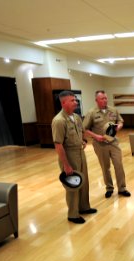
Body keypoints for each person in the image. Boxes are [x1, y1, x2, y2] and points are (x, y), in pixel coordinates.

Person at [51, 90, 97, 224]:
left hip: (80, 152)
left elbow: (82, 131)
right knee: (72, 184)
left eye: (75, 100)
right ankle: (72, 214)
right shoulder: (59, 121)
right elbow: (58, 144)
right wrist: (66, 165)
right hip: (68, 154)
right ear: (64, 102)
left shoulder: (76, 117)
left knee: (83, 180)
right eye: (72, 100)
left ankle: (84, 207)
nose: (76, 102)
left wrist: (83, 140)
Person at [83, 90, 131, 198]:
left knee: (118, 165)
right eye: (102, 98)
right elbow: (84, 129)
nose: (105, 100)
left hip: (113, 142)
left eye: (106, 98)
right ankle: (109, 188)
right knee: (105, 167)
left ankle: (122, 188)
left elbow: (120, 121)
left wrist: (119, 126)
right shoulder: (91, 113)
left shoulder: (113, 110)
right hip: (100, 144)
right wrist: (95, 136)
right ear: (96, 100)